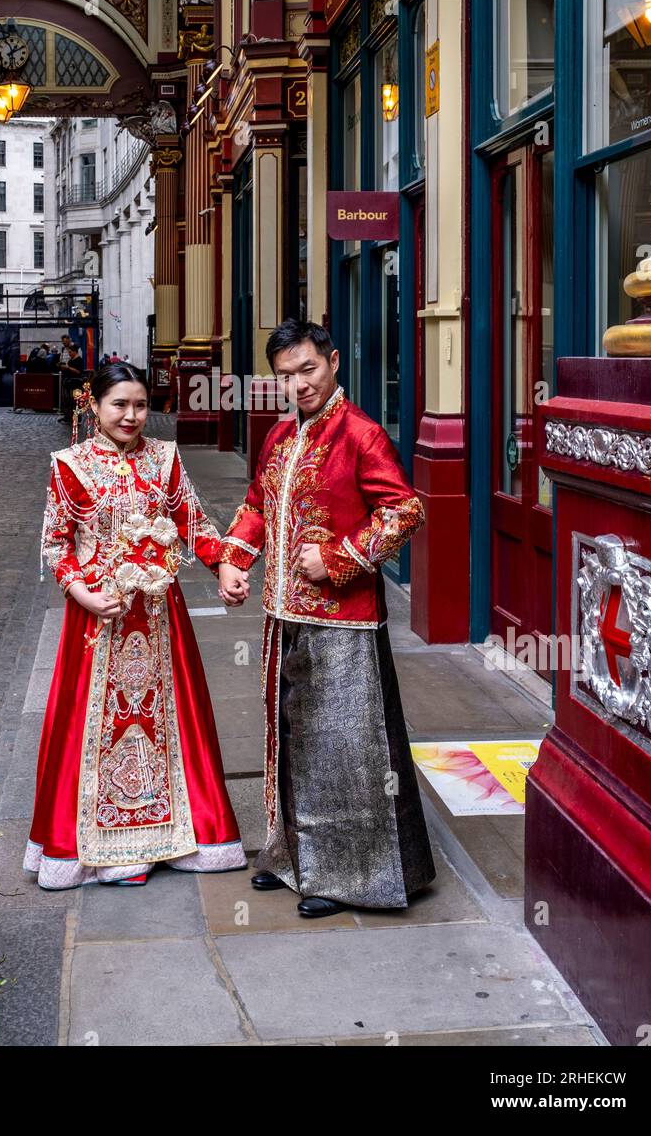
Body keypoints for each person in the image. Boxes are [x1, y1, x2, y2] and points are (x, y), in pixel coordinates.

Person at [217, 319, 435, 919]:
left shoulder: (361, 434)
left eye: (307, 369)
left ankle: (352, 877)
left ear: (333, 361)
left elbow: (404, 512)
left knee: (346, 747)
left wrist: (338, 557)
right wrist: (235, 559)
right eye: (286, 376)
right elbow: (257, 504)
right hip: (283, 614)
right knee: (294, 740)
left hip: (346, 619)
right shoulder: (283, 438)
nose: (298, 384)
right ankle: (295, 860)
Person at [23, 362, 246, 889]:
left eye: (140, 405)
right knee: (91, 728)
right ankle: (99, 846)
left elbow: (194, 522)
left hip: (159, 617)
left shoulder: (165, 459)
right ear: (94, 405)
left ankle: (171, 837)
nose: (131, 415)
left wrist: (226, 566)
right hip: (96, 622)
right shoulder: (70, 465)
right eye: (119, 404)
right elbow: (55, 545)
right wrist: (83, 594)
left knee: (171, 721)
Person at [58, 338, 83, 426]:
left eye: (70, 352)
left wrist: (68, 368)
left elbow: (79, 371)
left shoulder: (79, 360)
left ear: (75, 352)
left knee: (75, 402)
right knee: (68, 401)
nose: (69, 354)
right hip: (69, 382)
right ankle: (68, 417)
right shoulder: (71, 360)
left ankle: (76, 419)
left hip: (75, 383)